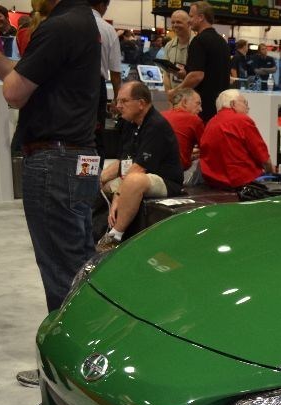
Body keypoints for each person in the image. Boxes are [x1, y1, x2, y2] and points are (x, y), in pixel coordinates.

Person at [0, 0, 102, 388]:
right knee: (79, 266)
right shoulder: (85, 23)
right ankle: (86, 363)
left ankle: (66, 372)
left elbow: (15, 92)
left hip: (54, 159)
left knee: (62, 273)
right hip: (78, 157)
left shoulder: (60, 26)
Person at [96, 81, 184, 252]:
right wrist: (101, 179)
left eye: (123, 101)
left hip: (166, 181)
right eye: (117, 101)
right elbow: (124, 161)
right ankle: (95, 230)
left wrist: (118, 195)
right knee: (102, 183)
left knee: (133, 181)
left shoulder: (156, 125)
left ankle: (115, 236)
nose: (118, 106)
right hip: (141, 174)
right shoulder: (130, 123)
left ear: (141, 103)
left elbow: (138, 169)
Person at [199, 89, 273, 189]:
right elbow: (263, 156)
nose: (248, 107)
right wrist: (271, 173)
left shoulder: (210, 123)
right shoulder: (242, 120)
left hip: (214, 182)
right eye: (245, 103)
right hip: (242, 181)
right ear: (233, 104)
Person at [182, 1, 230, 122]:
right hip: (220, 106)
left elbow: (197, 75)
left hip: (203, 106)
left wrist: (177, 91)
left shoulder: (199, 41)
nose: (189, 20)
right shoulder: (222, 42)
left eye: (191, 16)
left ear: (201, 17)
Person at [90, 0, 122, 156]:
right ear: (102, 5)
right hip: (96, 86)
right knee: (96, 132)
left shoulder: (67, 22)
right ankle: (96, 168)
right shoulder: (108, 29)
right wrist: (117, 98)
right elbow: (115, 72)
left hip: (69, 85)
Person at [161, 87, 204, 174]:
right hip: (176, 172)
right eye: (198, 104)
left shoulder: (160, 115)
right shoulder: (194, 120)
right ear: (184, 102)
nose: (200, 109)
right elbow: (207, 149)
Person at [161, 9, 192, 95]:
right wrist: (169, 94)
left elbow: (196, 76)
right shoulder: (169, 46)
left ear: (189, 23)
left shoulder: (197, 44)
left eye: (179, 22)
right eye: (173, 22)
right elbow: (166, 74)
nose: (175, 25)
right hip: (174, 96)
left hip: (192, 97)